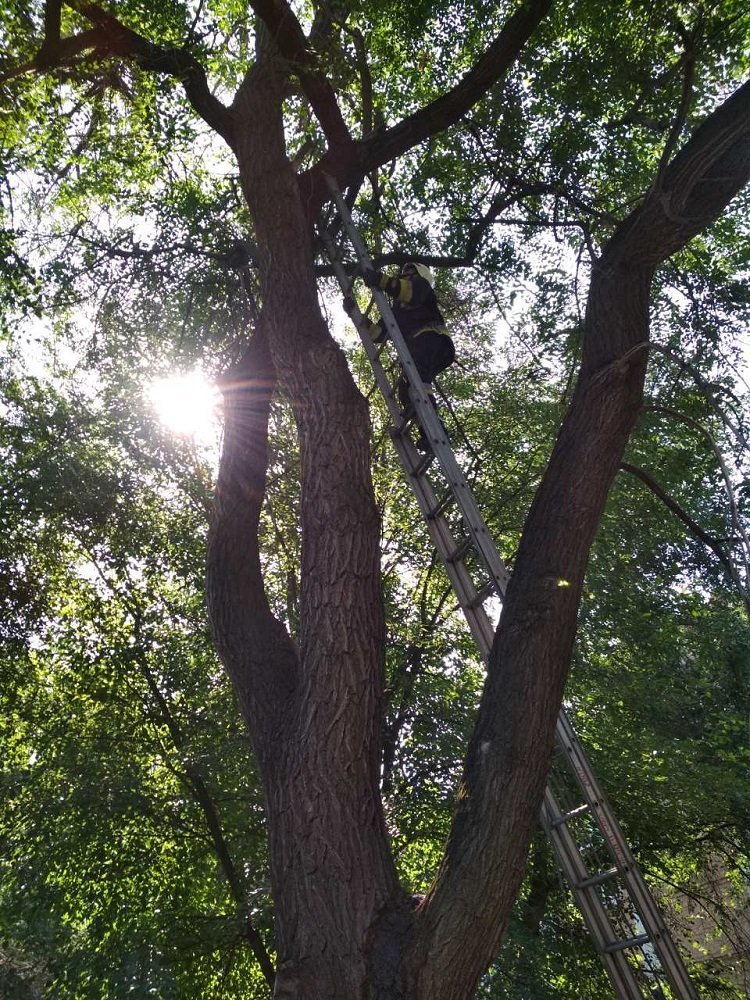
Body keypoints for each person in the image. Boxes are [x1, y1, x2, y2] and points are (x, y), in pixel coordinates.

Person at [344, 261, 455, 450]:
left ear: (421, 274)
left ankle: (436, 429)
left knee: (417, 376)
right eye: (403, 271)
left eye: (410, 271)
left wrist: (379, 279)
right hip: (421, 347)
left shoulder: (422, 287)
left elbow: (409, 292)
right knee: (406, 390)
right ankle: (429, 431)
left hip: (433, 339)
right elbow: (378, 334)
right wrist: (354, 313)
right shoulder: (397, 311)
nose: (404, 274)